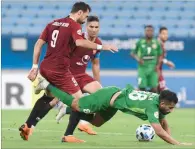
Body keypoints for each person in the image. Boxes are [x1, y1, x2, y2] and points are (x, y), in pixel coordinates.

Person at [19, 1, 117, 142]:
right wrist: (104, 47)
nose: (91, 27)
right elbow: (79, 43)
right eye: (87, 19)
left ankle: (29, 125)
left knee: (50, 98)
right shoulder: (76, 29)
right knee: (79, 102)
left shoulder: (53, 23)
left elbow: (39, 43)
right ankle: (68, 133)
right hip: (63, 71)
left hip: (51, 67)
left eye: (96, 27)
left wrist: (35, 66)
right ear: (80, 13)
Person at [34, 75, 192, 145]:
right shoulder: (152, 107)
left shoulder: (158, 101)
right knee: (77, 104)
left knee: (97, 122)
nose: (171, 110)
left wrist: (170, 141)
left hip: (115, 103)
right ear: (163, 102)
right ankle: (47, 85)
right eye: (170, 107)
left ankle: (66, 110)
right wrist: (177, 143)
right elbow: (159, 130)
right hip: (107, 97)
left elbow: (163, 121)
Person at [55, 15, 103, 135]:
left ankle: (82, 122)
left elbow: (95, 64)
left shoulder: (98, 43)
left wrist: (97, 82)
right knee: (78, 102)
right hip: (68, 75)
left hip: (81, 75)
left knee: (102, 97)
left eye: (96, 27)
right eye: (91, 26)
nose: (94, 29)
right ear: (86, 27)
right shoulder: (77, 39)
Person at [131, 25, 163, 93]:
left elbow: (160, 54)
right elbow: (132, 53)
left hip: (153, 68)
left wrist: (158, 65)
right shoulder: (139, 42)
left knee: (154, 88)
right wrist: (138, 59)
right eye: (147, 30)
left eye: (151, 31)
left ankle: (153, 103)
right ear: (145, 32)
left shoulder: (157, 43)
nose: (149, 32)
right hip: (142, 68)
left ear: (153, 32)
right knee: (142, 88)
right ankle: (142, 103)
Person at [158, 27, 175, 93]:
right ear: (159, 34)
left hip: (158, 72)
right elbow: (156, 58)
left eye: (167, 34)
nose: (166, 35)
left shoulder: (162, 45)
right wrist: (167, 62)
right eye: (163, 33)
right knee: (164, 94)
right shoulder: (157, 44)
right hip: (156, 73)